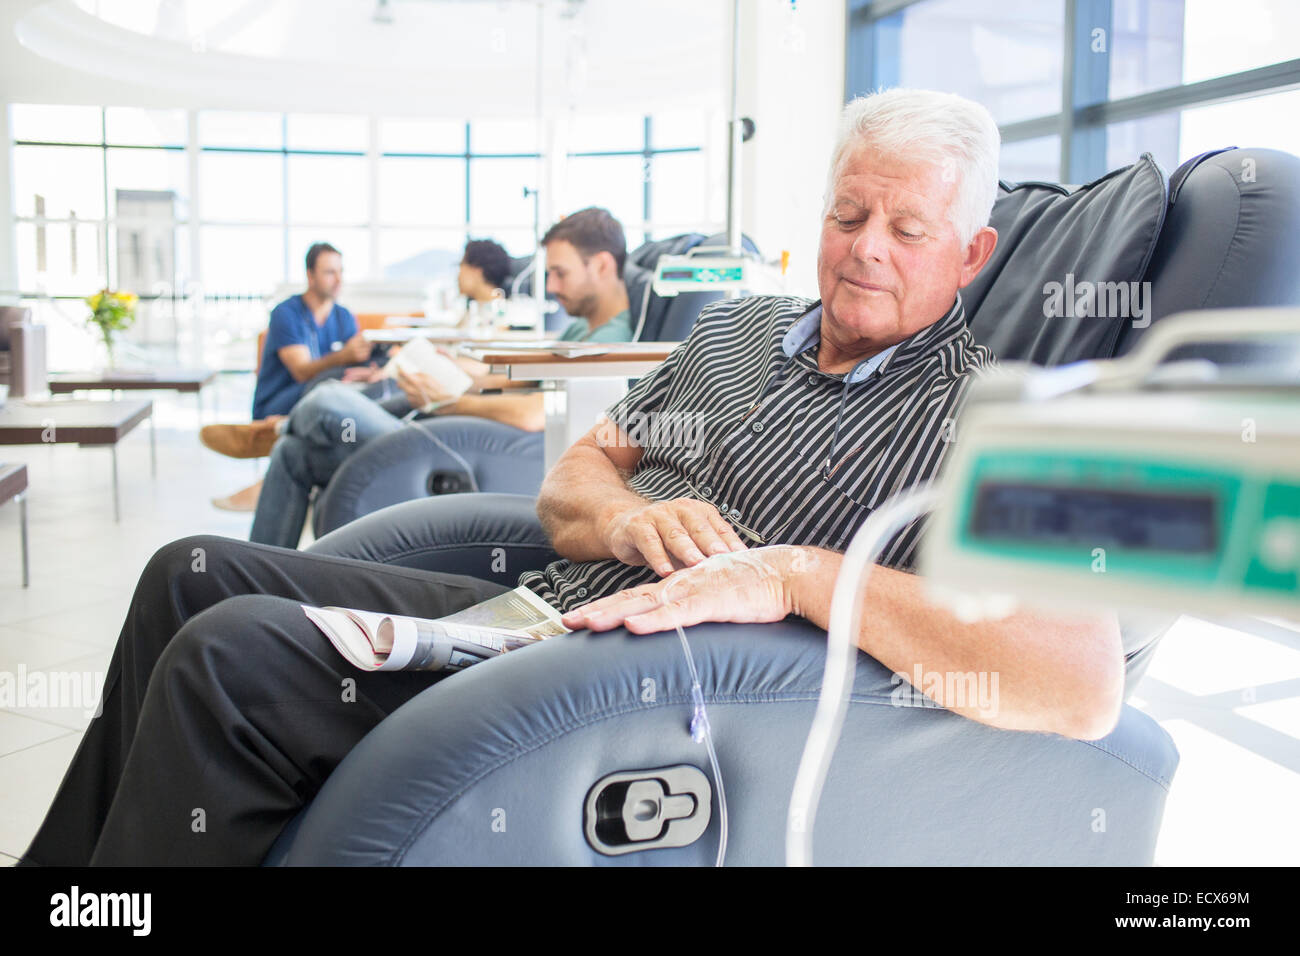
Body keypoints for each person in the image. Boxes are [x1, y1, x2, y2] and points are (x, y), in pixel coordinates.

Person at [19, 90, 1150, 867]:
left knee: (233, 658)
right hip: (523, 609)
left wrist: (797, 575)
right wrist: (618, 511)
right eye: (848, 214)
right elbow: (573, 481)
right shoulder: (737, 330)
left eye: (909, 228)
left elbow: (1076, 679)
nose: (865, 247)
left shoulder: (995, 410)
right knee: (189, 573)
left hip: (615, 683)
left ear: (972, 254)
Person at [245, 211, 635, 548]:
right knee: (294, 454)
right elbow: (508, 380)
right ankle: (255, 573)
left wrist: (448, 403)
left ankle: (282, 424)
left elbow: (537, 413)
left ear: (601, 265)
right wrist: (451, 371)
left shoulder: (613, 343)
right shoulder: (579, 332)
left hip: (466, 449)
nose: (550, 286)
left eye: (559, 273)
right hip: (455, 430)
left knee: (327, 398)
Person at [251, 242, 370, 421]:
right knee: (330, 393)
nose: (339, 280)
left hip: (320, 396)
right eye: (330, 272)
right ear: (310, 275)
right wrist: (343, 357)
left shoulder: (343, 316)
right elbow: (301, 372)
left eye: (341, 272)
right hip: (278, 402)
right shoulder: (286, 313)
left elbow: (353, 367)